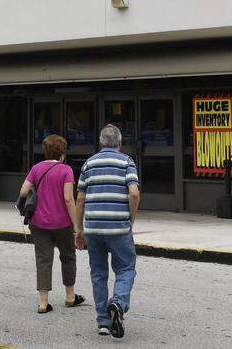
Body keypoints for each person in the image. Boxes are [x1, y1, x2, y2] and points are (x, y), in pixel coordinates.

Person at [75, 124, 140, 339]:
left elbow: (80, 198)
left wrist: (79, 229)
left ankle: (103, 322)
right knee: (126, 268)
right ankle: (118, 303)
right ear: (119, 143)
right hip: (119, 228)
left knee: (98, 273)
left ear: (101, 143)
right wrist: (130, 220)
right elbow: (133, 193)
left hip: (93, 228)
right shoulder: (127, 162)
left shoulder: (89, 163)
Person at [18, 134, 86, 314]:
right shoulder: (66, 170)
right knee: (68, 256)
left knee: (43, 259)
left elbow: (23, 191)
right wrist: (76, 225)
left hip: (38, 222)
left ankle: (43, 303)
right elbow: (68, 199)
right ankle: (70, 297)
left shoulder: (36, 168)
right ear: (62, 153)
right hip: (62, 223)